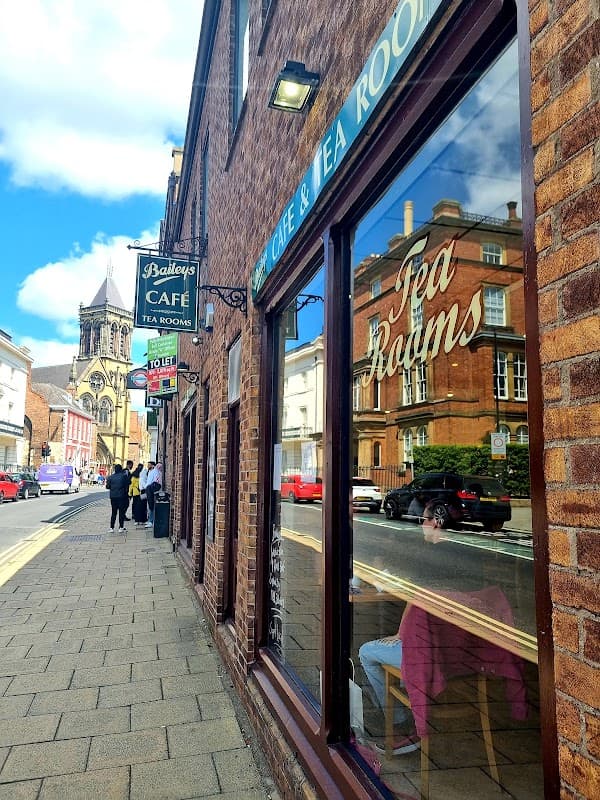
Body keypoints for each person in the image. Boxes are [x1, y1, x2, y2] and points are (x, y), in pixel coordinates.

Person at [105, 464, 131, 533]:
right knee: (121, 512)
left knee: (114, 512)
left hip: (113, 497)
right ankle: (121, 527)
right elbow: (128, 483)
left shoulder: (110, 477)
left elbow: (107, 487)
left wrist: (113, 487)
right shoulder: (124, 476)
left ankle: (111, 528)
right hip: (121, 496)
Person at [145, 461, 162, 528]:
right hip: (152, 490)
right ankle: (151, 520)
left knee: (151, 505)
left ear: (152, 465)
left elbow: (150, 482)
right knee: (151, 505)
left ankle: (151, 521)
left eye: (149, 465)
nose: (147, 466)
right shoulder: (152, 472)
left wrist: (145, 487)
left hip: (152, 490)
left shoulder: (154, 471)